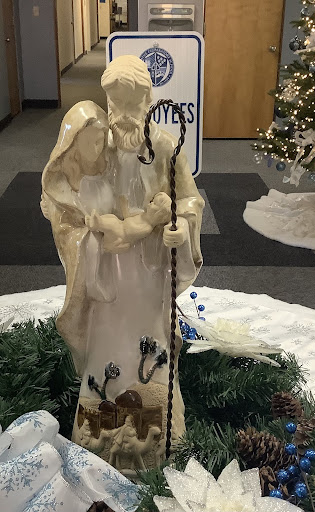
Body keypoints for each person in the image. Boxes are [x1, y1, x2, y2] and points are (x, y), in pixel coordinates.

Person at [42, 57, 204, 468]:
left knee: (149, 344)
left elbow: (189, 199)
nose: (124, 119)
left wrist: (181, 227)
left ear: (149, 100)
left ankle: (155, 425)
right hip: (107, 278)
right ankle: (100, 422)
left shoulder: (165, 145)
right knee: (107, 344)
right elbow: (71, 196)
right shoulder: (97, 144)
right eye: (116, 106)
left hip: (149, 274)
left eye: (133, 106)